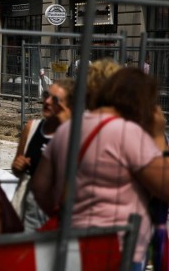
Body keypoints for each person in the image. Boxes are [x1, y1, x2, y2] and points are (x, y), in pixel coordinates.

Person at [32, 68, 169, 269]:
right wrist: (158, 136)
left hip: (71, 241)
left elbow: (39, 186)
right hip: (116, 248)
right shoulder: (128, 133)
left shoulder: (68, 128)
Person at [11, 78, 74, 231]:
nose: (47, 101)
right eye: (46, 95)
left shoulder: (75, 135)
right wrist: (18, 166)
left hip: (60, 209)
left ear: (69, 107)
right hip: (31, 208)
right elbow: (16, 168)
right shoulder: (32, 127)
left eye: (55, 99)